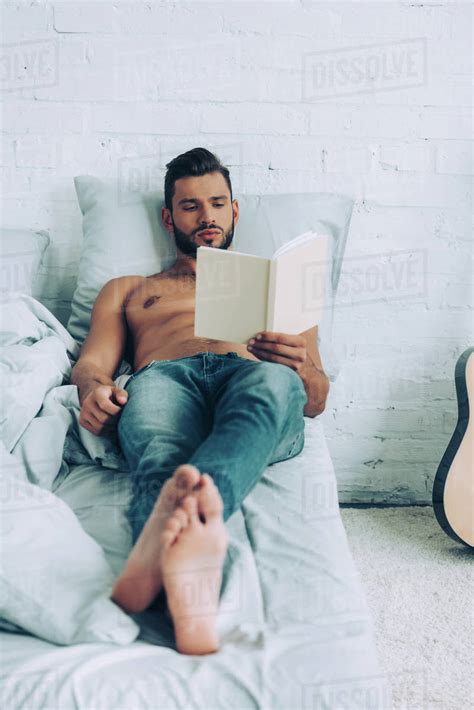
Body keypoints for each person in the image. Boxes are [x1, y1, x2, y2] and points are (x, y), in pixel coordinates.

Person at [70, 147, 329, 655]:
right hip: (163, 378)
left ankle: (158, 557)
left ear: (235, 210)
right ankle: (188, 595)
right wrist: (92, 389)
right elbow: (91, 364)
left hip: (253, 378)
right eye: (190, 206)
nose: (206, 216)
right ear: (169, 217)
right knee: (161, 457)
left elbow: (315, 398)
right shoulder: (130, 288)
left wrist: (299, 368)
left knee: (275, 388)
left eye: (216, 203)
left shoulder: (281, 289)